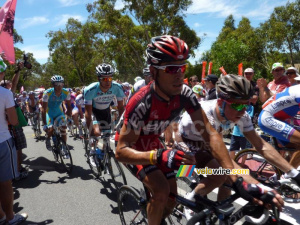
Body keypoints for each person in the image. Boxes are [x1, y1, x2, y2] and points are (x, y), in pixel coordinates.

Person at [115, 35, 273, 225]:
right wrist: (157, 156)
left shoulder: (185, 94)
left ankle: (155, 213)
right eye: (171, 68)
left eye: (182, 68)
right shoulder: (141, 102)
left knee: (172, 201)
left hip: (155, 143)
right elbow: (121, 151)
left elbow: (210, 134)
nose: (179, 74)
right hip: (133, 146)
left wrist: (238, 180)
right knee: (161, 191)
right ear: (153, 71)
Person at [0, 57, 28, 224]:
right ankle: (10, 217)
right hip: (3, 140)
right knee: (5, 182)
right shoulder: (5, 93)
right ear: (2, 72)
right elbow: (14, 120)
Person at [84, 63, 125, 166]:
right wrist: (91, 130)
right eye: (104, 79)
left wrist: (123, 123)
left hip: (105, 110)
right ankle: (92, 152)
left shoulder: (117, 87)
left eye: (110, 79)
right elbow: (88, 113)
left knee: (107, 137)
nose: (108, 82)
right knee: (97, 132)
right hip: (94, 110)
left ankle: (103, 153)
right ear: (99, 79)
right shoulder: (90, 89)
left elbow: (121, 108)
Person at [42, 75, 72, 158]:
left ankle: (64, 148)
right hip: (49, 112)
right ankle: (48, 138)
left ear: (63, 84)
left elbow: (69, 107)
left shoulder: (66, 92)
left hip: (59, 112)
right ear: (53, 85)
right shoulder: (47, 93)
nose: (59, 87)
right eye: (56, 84)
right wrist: (44, 124)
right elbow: (43, 109)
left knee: (63, 127)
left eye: (61, 84)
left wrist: (69, 118)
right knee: (50, 129)